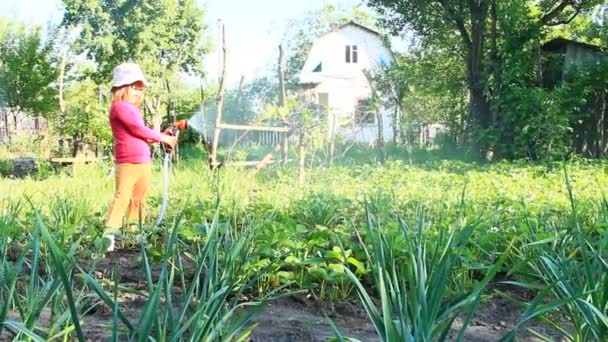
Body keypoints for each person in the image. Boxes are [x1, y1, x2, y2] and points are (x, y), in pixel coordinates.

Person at [102, 62, 177, 252]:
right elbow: (137, 129)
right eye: (134, 88)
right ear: (121, 88)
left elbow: (140, 134)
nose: (138, 93)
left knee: (139, 198)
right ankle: (108, 237)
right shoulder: (119, 107)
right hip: (127, 161)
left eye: (141, 90)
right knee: (122, 197)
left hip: (143, 160)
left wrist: (161, 136)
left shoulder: (133, 110)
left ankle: (133, 232)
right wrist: (163, 137)